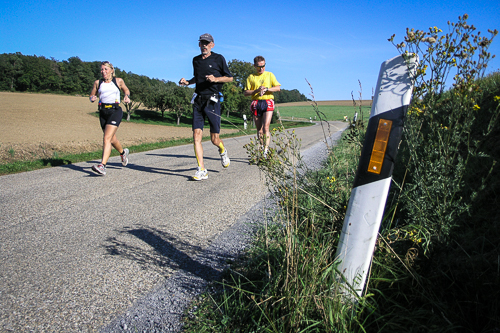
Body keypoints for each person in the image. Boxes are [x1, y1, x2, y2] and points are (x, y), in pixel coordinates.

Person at [179, 33, 233, 181]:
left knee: (214, 139)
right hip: (198, 100)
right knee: (196, 135)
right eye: (202, 43)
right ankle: (201, 169)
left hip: (212, 101)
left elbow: (230, 77)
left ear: (212, 45)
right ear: (199, 44)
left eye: (207, 43)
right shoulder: (195, 60)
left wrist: (215, 79)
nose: (204, 45)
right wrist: (187, 82)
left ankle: (222, 150)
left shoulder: (218, 58)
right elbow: (198, 78)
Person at [89, 61, 131, 176]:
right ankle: (123, 153)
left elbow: (126, 90)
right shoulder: (98, 83)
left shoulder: (118, 81)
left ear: (111, 70)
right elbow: (93, 94)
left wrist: (127, 96)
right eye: (102, 70)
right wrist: (92, 98)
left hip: (115, 111)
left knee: (106, 138)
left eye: (105, 69)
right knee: (112, 139)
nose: (103, 72)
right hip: (103, 112)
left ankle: (102, 165)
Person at [244, 56, 281, 158]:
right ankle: (262, 148)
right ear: (255, 66)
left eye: (263, 66)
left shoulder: (270, 75)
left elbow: (278, 88)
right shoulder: (251, 77)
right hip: (256, 102)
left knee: (266, 127)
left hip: (268, 101)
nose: (261, 69)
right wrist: (256, 90)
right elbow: (246, 92)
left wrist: (267, 89)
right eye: (259, 67)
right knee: (259, 129)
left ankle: (265, 151)